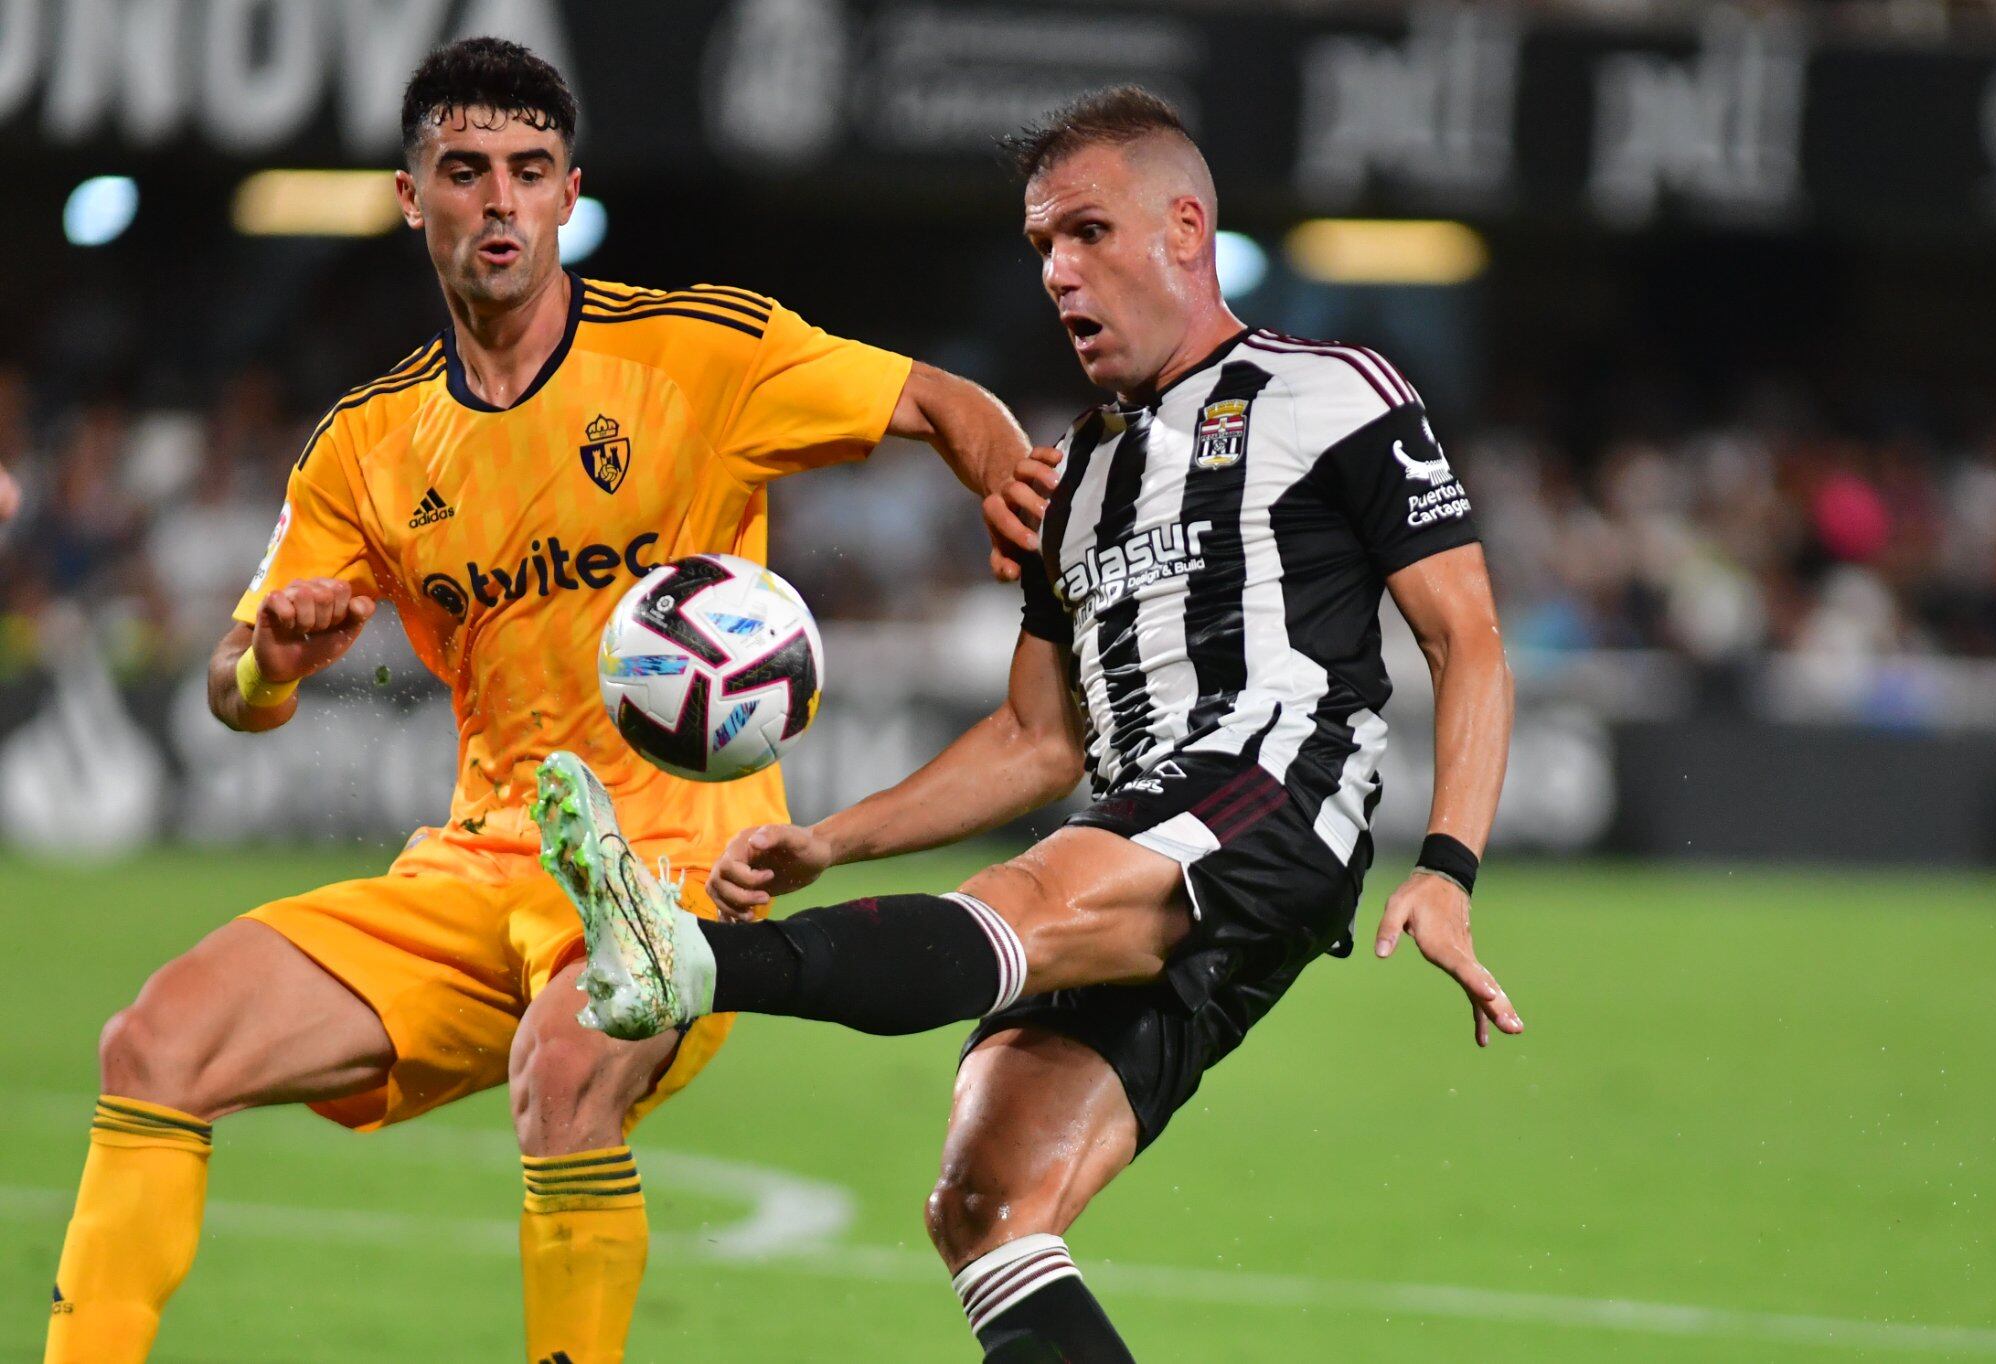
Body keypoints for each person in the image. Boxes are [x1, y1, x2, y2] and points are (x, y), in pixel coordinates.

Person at [44, 37, 1042, 1364]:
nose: (499, 201)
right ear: (414, 198)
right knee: (155, 1040)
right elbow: (234, 693)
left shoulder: (701, 353)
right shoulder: (368, 444)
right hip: (481, 866)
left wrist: (1012, 494)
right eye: (465, 172)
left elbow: (938, 399)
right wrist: (273, 658)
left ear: (570, 192)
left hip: (674, 872)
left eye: (528, 171)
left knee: (566, 1073)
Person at [539, 85, 1519, 1362]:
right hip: (1136, 829)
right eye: (1041, 245)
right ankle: (708, 962)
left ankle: (695, 963)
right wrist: (835, 839)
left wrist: (1446, 865)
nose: (1056, 272)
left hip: (1267, 785)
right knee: (985, 1202)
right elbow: (1034, 740)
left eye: (1085, 233)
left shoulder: (1327, 391)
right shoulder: (1076, 477)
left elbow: (1467, 636)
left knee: (1028, 895)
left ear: (1182, 229)